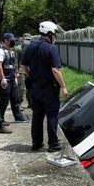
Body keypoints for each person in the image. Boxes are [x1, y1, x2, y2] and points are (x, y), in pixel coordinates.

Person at [21, 21, 68, 152]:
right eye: (54, 34)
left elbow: (23, 66)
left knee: (37, 116)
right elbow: (55, 70)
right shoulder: (51, 49)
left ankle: (36, 143)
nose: (55, 37)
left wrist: (31, 76)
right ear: (49, 34)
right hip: (49, 89)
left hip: (35, 88)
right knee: (52, 116)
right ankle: (53, 144)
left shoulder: (30, 47)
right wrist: (63, 87)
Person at [0, 33, 27, 124]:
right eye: (11, 40)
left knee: (15, 99)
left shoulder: (12, 52)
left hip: (12, 80)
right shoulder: (0, 51)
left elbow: (13, 65)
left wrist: (16, 74)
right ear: (5, 40)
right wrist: (3, 78)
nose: (13, 41)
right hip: (5, 80)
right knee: (4, 101)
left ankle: (18, 117)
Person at [14, 33, 32, 109]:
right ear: (23, 40)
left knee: (30, 88)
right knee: (21, 88)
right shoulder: (18, 49)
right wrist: (16, 71)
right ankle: (19, 103)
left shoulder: (31, 48)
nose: (28, 41)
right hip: (21, 71)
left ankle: (31, 103)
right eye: (26, 39)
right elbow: (15, 61)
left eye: (29, 40)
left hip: (29, 71)